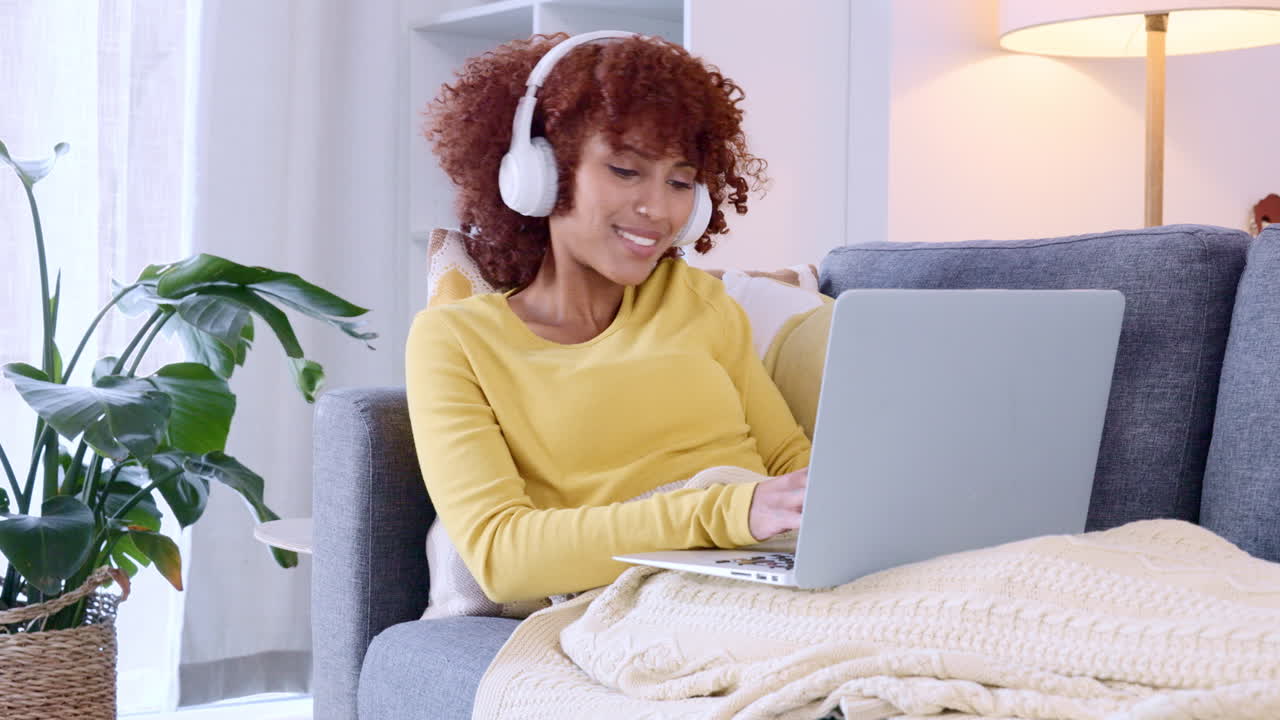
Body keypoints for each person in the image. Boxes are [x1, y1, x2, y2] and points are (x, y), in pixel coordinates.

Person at [406, 31, 810, 605]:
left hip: (773, 567)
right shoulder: (456, 341)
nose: (659, 209)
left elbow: (791, 463)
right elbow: (500, 556)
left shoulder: (699, 301)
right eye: (625, 170)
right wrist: (727, 512)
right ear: (540, 171)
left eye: (680, 181)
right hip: (643, 595)